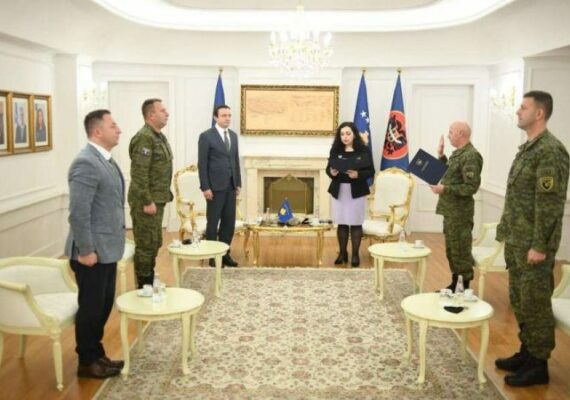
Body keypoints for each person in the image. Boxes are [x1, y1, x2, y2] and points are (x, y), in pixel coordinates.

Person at [495, 91, 569, 387]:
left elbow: (549, 206)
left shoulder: (550, 151)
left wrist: (539, 246)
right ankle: (527, 352)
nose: (517, 111)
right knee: (521, 301)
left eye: (523, 107)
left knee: (536, 304)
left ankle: (539, 364)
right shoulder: (528, 149)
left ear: (539, 113)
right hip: (518, 241)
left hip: (532, 246)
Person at [64, 109, 125, 378]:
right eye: (113, 125)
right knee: (91, 308)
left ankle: (97, 353)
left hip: (107, 250)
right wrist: (86, 250)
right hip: (92, 252)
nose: (119, 129)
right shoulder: (85, 162)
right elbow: (79, 212)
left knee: (103, 305)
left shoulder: (106, 160)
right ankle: (87, 361)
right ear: (97, 131)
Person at [430, 121, 482, 290]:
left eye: (451, 132)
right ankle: (455, 285)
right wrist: (441, 155)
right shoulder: (459, 154)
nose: (448, 135)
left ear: (461, 133)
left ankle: (463, 288)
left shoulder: (471, 156)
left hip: (460, 213)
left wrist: (445, 189)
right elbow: (451, 173)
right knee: (452, 250)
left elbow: (471, 187)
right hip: (451, 211)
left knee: (460, 251)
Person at [128, 99, 173, 288]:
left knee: (154, 242)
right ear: (151, 115)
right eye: (162, 110)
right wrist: (147, 201)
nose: (167, 113)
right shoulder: (144, 138)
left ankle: (149, 281)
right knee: (146, 245)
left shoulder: (158, 137)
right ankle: (143, 287)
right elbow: (139, 174)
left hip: (157, 199)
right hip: (146, 201)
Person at [326, 121, 375, 267]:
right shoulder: (336, 150)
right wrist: (332, 172)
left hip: (357, 191)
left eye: (348, 133)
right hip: (339, 191)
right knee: (342, 223)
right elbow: (328, 169)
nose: (345, 137)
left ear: (354, 135)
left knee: (355, 223)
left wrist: (358, 174)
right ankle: (342, 253)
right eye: (342, 134)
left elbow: (371, 171)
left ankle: (355, 254)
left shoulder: (363, 150)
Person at [198, 104, 241, 267]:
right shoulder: (206, 136)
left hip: (231, 186)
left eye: (229, 115)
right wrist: (205, 187)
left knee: (228, 223)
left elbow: (235, 161)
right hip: (214, 188)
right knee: (213, 223)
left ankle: (225, 254)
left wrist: (238, 183)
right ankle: (212, 256)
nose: (227, 118)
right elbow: (202, 164)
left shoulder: (233, 136)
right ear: (216, 117)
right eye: (224, 115)